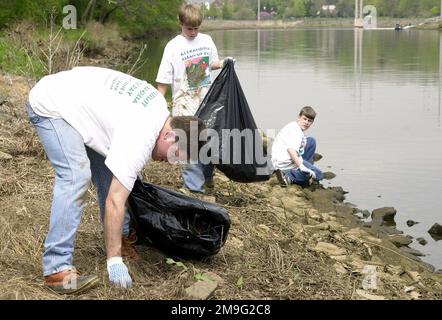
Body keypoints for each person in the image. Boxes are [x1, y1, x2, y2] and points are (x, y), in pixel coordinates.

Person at [27, 66, 206, 294]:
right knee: (76, 177)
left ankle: (119, 238)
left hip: (77, 103)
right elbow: (115, 201)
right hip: (52, 105)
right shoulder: (140, 136)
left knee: (114, 175)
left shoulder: (160, 110)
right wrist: (114, 263)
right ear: (170, 135)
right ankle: (56, 268)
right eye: (175, 155)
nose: (171, 162)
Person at [156, 4, 234, 194]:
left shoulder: (206, 40)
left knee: (207, 145)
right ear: (180, 23)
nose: (193, 32)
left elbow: (211, 63)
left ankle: (208, 182)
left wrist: (224, 63)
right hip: (183, 106)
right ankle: (194, 189)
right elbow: (163, 81)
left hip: (205, 104)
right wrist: (158, 110)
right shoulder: (173, 46)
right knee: (186, 149)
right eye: (189, 28)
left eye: (196, 28)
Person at [271, 106, 324, 187]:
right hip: (284, 164)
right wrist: (301, 166)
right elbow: (290, 149)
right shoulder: (296, 132)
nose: (306, 122)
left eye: (309, 121)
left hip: (279, 158)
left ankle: (302, 170)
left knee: (311, 141)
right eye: (304, 119)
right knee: (319, 174)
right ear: (299, 117)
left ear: (312, 122)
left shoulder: (293, 125)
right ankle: (289, 177)